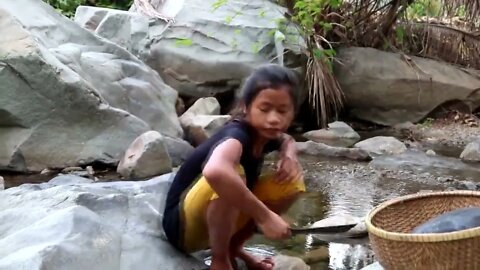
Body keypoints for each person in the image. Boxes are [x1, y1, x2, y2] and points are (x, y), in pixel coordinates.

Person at [162, 64, 305, 270]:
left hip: (213, 227)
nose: (274, 119)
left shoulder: (266, 134)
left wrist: (289, 153)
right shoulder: (237, 135)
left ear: (293, 113)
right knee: (231, 175)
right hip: (182, 228)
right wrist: (265, 217)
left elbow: (287, 139)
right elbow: (215, 171)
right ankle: (220, 261)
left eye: (283, 111)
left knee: (291, 181)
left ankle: (233, 249)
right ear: (247, 108)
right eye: (264, 109)